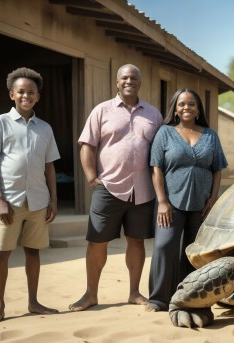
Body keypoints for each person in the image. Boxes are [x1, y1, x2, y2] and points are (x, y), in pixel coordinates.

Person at [69, 64, 162, 311]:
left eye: (134, 77)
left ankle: (134, 292)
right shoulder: (101, 110)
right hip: (108, 187)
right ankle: (91, 294)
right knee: (96, 242)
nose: (129, 81)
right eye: (124, 78)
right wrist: (91, 178)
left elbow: (161, 151)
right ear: (117, 82)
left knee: (137, 242)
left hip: (143, 191)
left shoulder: (154, 115)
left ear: (139, 82)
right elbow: (87, 146)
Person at [0, 67, 61, 322]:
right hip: (9, 202)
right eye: (21, 91)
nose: (26, 96)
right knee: (1, 253)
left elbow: (49, 166)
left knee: (33, 252)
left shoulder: (45, 129)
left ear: (38, 96)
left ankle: (34, 302)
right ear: (11, 95)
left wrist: (53, 201)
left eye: (31, 92)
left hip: (38, 200)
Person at [145, 88, 227, 311]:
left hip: (201, 203)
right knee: (164, 246)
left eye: (191, 104)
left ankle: (189, 294)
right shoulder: (165, 132)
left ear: (198, 109)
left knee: (194, 252)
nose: (186, 108)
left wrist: (213, 198)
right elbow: (156, 168)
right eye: (181, 104)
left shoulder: (210, 135)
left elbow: (218, 168)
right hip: (171, 202)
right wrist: (162, 201)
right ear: (175, 108)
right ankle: (158, 299)